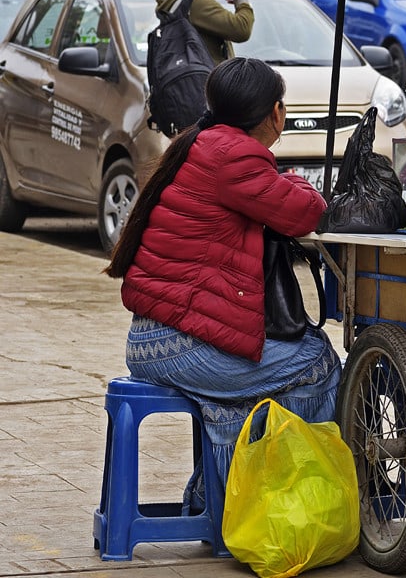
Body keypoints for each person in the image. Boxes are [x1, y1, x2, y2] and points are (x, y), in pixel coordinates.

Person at [104, 57, 339, 502]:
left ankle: (220, 499)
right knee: (317, 361)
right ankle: (302, 495)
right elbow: (303, 211)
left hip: (156, 336)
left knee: (254, 385)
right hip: (181, 347)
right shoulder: (235, 155)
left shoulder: (207, 145)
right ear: (274, 112)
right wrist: (302, 184)